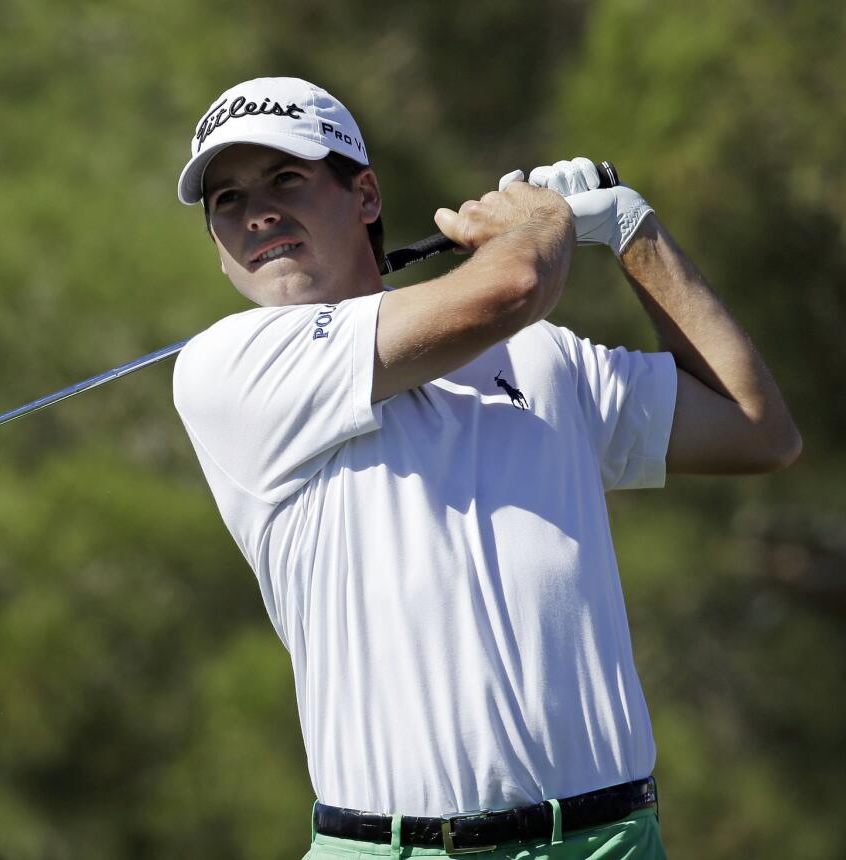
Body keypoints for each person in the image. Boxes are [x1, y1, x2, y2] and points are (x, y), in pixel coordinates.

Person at [171, 76, 800, 859]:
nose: (256, 211)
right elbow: (516, 281)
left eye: (286, 178)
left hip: (608, 842)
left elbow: (758, 430)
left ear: (364, 195)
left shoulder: (544, 356)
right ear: (218, 248)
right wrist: (542, 221)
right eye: (226, 200)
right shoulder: (226, 367)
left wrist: (635, 233)